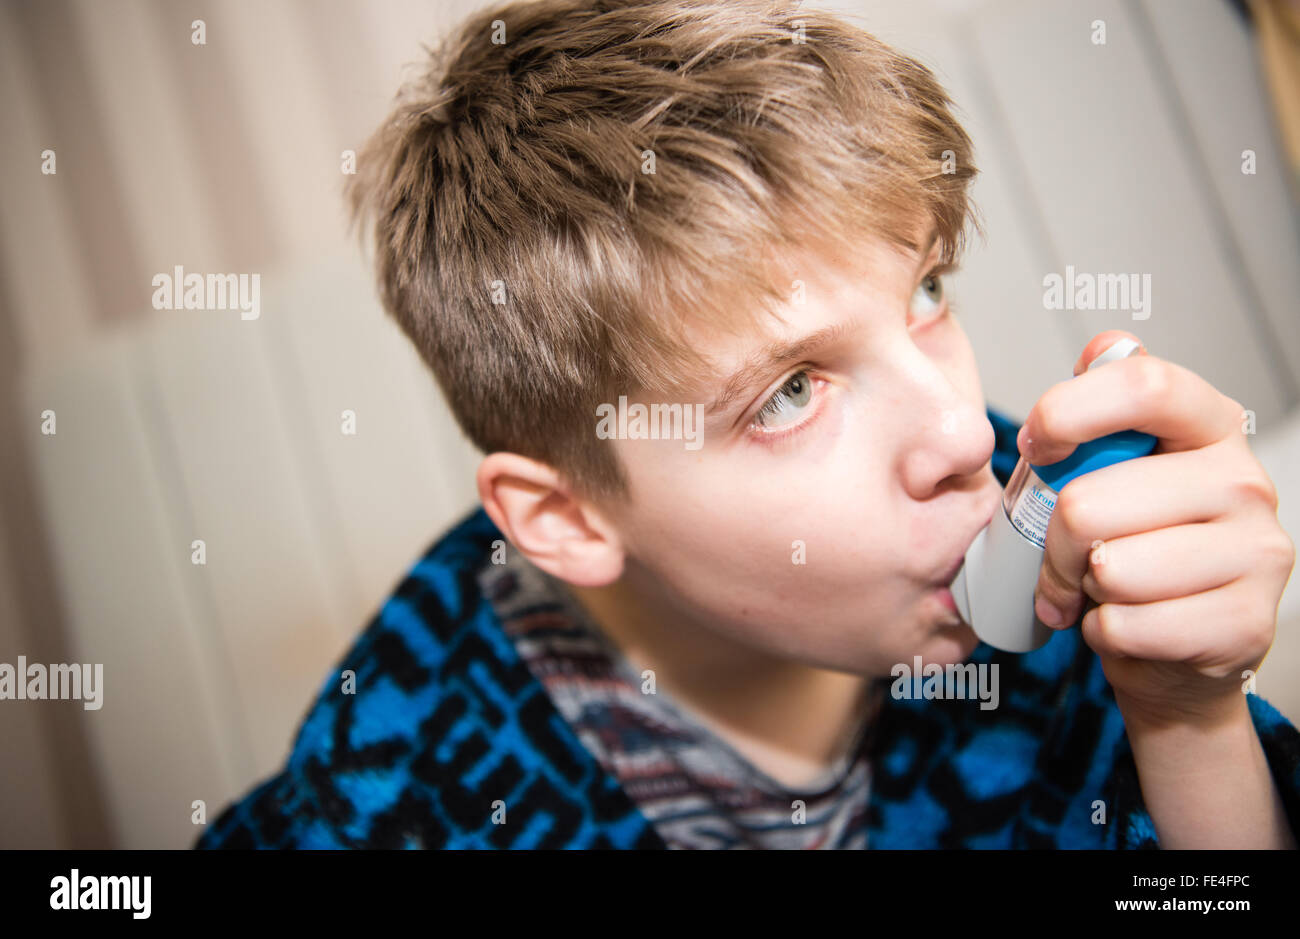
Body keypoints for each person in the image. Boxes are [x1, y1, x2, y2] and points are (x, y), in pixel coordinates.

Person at [195, 0, 1299, 849]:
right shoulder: (372, 813)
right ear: (566, 516)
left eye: (923, 295)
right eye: (786, 393)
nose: (966, 436)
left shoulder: (1066, 580)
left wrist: (1187, 726)